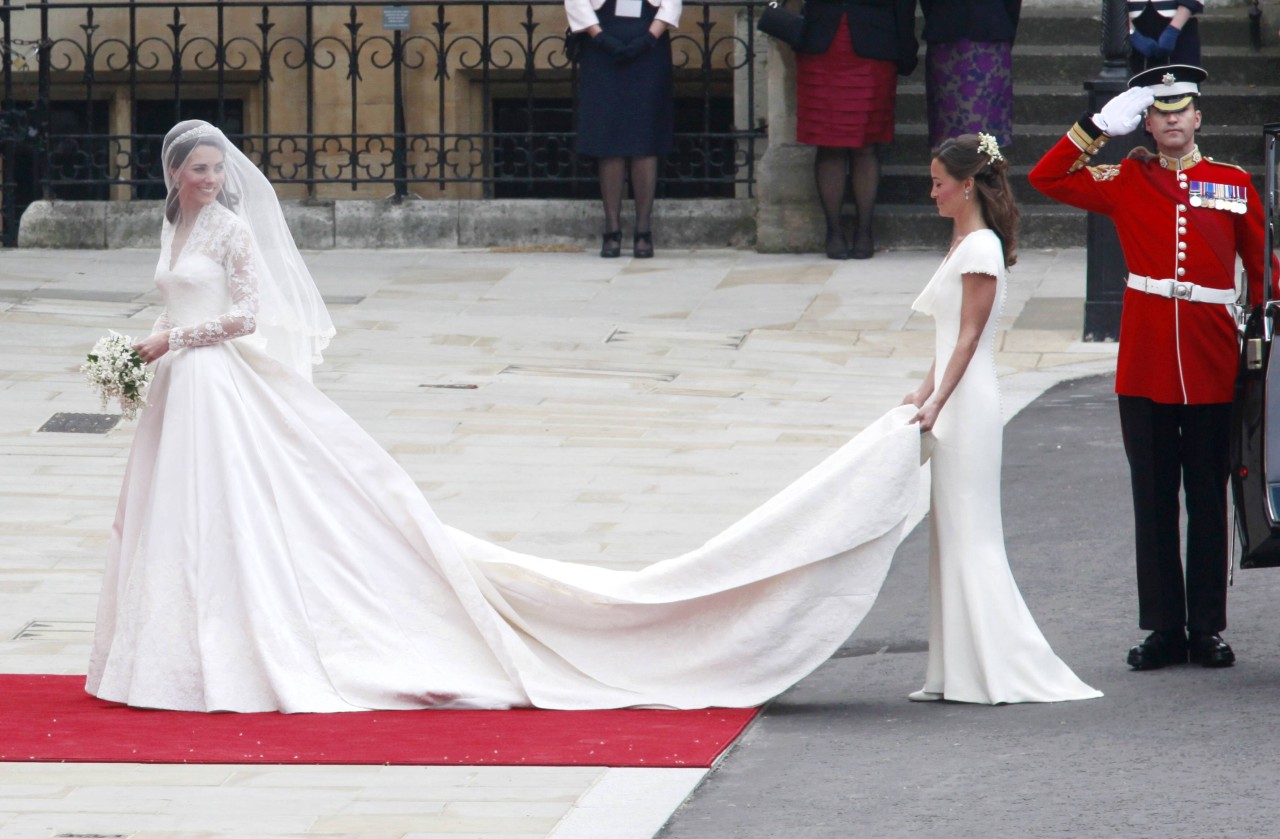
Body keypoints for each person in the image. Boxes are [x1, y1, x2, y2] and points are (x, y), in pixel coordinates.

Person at [88, 119, 937, 714]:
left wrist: (171, 342)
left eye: (214, 168)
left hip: (213, 380)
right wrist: (141, 347)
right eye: (195, 169)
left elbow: (246, 317)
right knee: (174, 514)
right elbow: (179, 296)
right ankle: (166, 649)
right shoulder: (175, 226)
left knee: (234, 507)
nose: (207, 178)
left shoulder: (234, 229)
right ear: (174, 176)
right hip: (180, 387)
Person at [1028, 65, 1275, 671]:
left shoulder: (1233, 183)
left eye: (1180, 109)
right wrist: (1094, 129)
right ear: (1146, 120)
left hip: (1214, 359)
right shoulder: (1126, 178)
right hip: (1145, 363)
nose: (1170, 120)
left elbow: (1265, 266)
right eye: (1158, 111)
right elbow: (1046, 176)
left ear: (1197, 118)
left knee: (1210, 501)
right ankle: (1165, 627)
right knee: (1155, 498)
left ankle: (1206, 627)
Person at [901, 133, 1102, 704]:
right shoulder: (963, 240)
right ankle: (953, 670)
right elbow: (946, 338)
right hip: (951, 396)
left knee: (972, 534)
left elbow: (970, 336)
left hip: (968, 404)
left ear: (967, 185)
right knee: (948, 533)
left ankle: (996, 665)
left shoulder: (982, 248)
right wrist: (921, 391)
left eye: (939, 181)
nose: (932, 191)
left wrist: (938, 399)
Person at [796, 0, 918, 260]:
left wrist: (906, 48)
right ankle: (834, 231)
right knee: (828, 143)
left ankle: (864, 231)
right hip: (822, 44)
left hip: (874, 44)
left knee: (866, 144)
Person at [565, 0, 679, 259]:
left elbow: (672, 3)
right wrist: (600, 37)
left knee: (645, 135)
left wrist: (650, 38)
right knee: (609, 136)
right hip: (601, 46)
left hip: (649, 46)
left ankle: (643, 231)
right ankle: (612, 229)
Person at [918, 0, 1021, 149]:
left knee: (959, 132)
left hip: (955, 30)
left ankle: (972, 167)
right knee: (967, 130)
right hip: (977, 31)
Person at [1127, 0, 1201, 74]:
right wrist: (1133, 34)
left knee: (1184, 79)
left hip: (1182, 26)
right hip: (1131, 27)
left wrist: (1173, 30)